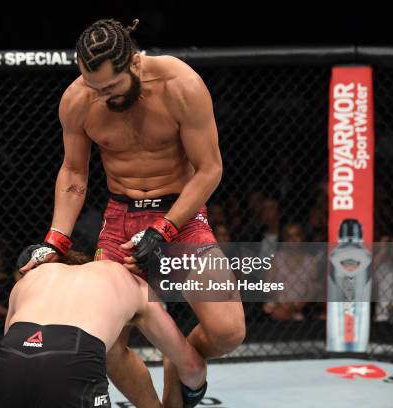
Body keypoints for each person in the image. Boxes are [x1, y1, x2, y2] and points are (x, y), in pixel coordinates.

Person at [18, 18, 245, 407]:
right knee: (105, 344)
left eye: (110, 86)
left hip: (181, 213)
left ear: (134, 63)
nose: (102, 95)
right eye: (94, 86)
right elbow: (74, 173)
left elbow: (210, 169)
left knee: (228, 332)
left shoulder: (180, 85)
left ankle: (181, 359)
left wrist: (165, 229)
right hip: (121, 218)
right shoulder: (78, 100)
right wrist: (55, 239)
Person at [0, 250, 206, 408]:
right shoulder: (127, 279)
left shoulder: (31, 279)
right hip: (72, 356)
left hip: (10, 358)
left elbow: (13, 341)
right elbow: (191, 365)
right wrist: (192, 392)